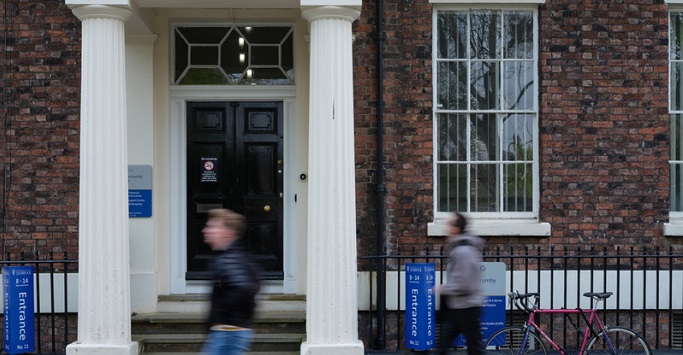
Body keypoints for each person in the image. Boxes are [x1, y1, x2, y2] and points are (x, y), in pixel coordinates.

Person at [201, 208, 261, 355]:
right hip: (228, 332)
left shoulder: (229, 259)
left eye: (212, 226)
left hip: (227, 334)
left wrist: (222, 315)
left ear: (227, 232)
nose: (205, 230)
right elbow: (254, 281)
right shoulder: (236, 257)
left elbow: (243, 287)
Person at [435, 212, 485, 355]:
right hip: (458, 307)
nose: (446, 226)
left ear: (456, 229)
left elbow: (464, 284)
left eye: (449, 223)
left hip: (467, 307)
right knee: (443, 347)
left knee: (475, 350)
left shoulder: (464, 251)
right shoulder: (459, 248)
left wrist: (443, 288)